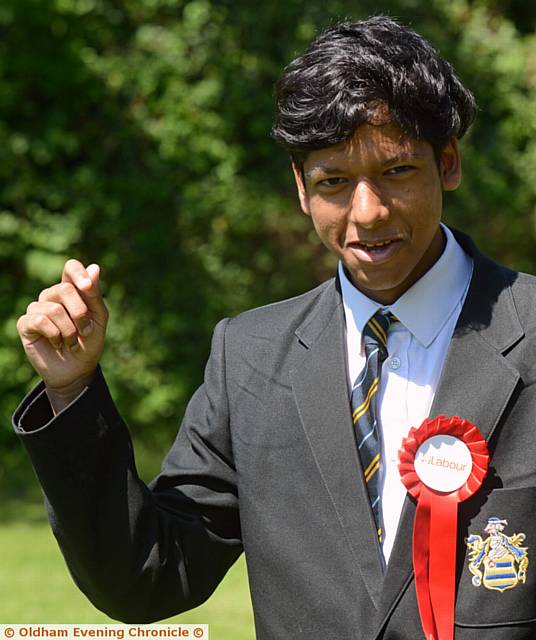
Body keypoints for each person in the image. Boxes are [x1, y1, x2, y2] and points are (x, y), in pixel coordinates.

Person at [12, 15, 536, 640]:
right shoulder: (249, 359)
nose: (367, 213)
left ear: (446, 162)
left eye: (395, 172)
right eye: (335, 183)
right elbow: (145, 574)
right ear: (300, 187)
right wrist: (72, 391)